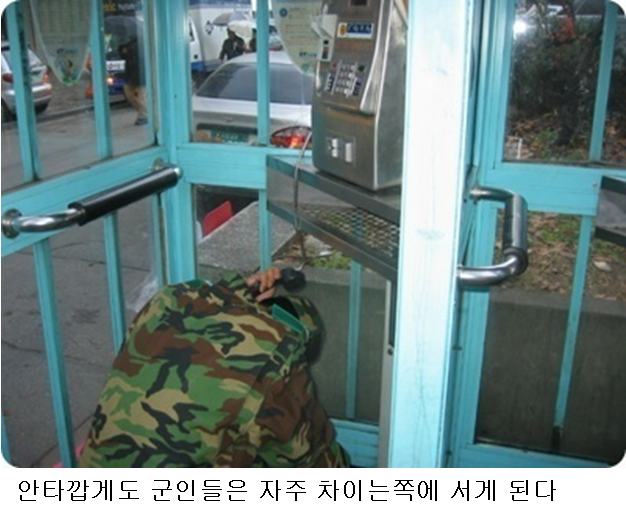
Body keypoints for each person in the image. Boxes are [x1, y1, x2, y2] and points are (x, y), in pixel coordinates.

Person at [78, 267, 349, 468]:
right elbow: (312, 460)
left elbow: (211, 300)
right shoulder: (277, 357)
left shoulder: (168, 301)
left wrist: (238, 292)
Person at [119, 36, 148, 126]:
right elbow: (124, 56)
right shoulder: (128, 44)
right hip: (132, 75)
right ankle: (144, 112)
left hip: (140, 75)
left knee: (141, 96)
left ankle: (144, 115)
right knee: (131, 94)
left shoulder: (141, 44)